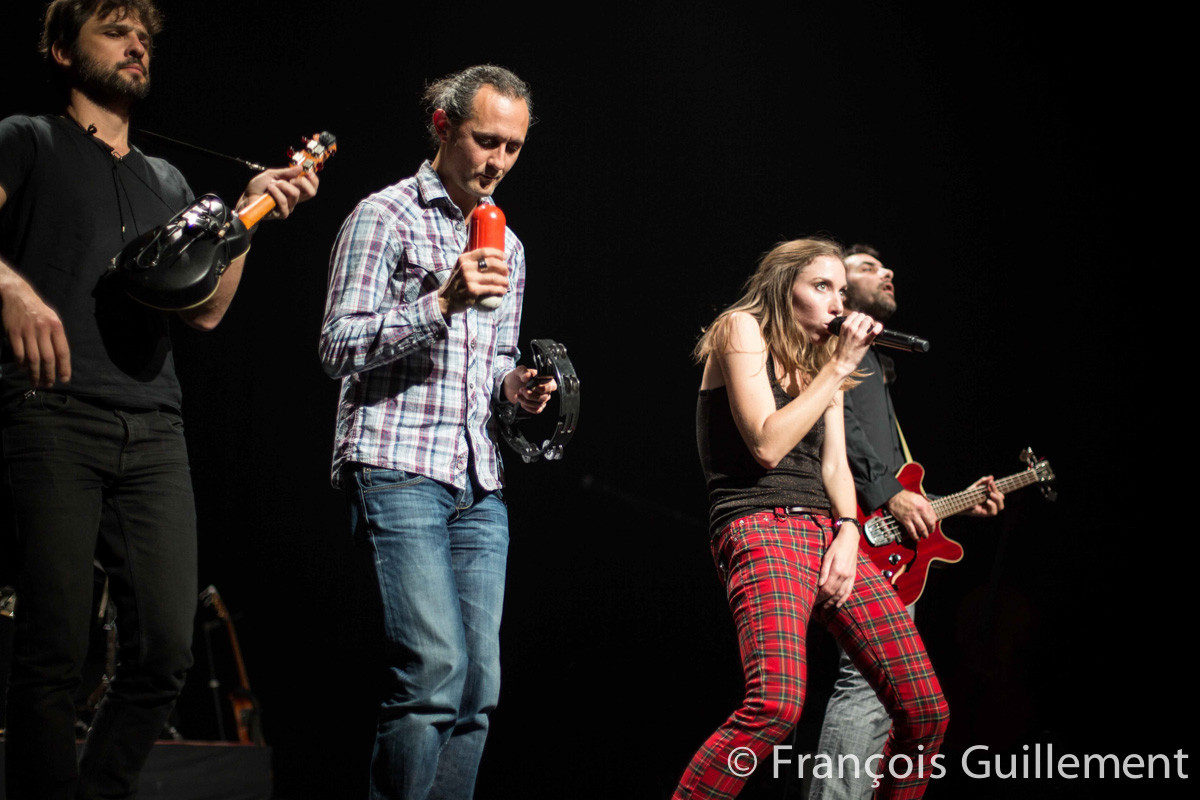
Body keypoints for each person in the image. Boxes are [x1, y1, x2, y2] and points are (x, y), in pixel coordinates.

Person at [0, 2, 318, 798]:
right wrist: (12, 289)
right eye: (115, 30)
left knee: (164, 654)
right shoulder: (26, 140)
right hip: (51, 413)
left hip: (152, 430)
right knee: (55, 650)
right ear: (63, 50)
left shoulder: (168, 181)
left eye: (143, 35)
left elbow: (204, 311)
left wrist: (249, 218)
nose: (137, 44)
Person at [319, 65, 554, 800]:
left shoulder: (509, 245)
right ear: (443, 126)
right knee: (433, 673)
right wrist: (441, 301)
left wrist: (517, 388)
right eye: (487, 140)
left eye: (513, 147)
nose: (499, 160)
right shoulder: (382, 216)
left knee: (479, 688)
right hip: (398, 465)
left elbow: (494, 364)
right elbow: (336, 345)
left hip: (478, 480)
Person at [673, 239, 948, 800]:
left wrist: (848, 530)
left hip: (828, 533)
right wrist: (841, 365)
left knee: (925, 710)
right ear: (783, 286)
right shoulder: (741, 328)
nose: (837, 303)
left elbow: (835, 465)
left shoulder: (823, 360)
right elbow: (767, 445)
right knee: (776, 705)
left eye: (841, 291)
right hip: (760, 525)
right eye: (822, 286)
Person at [808, 244, 1004, 800]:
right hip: (852, 531)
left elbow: (895, 473)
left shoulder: (874, 359)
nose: (887, 271)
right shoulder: (838, 345)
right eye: (868, 267)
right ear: (840, 287)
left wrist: (952, 503)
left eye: (886, 266)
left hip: (880, 536)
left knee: (884, 696)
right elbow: (835, 427)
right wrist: (887, 494)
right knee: (868, 686)